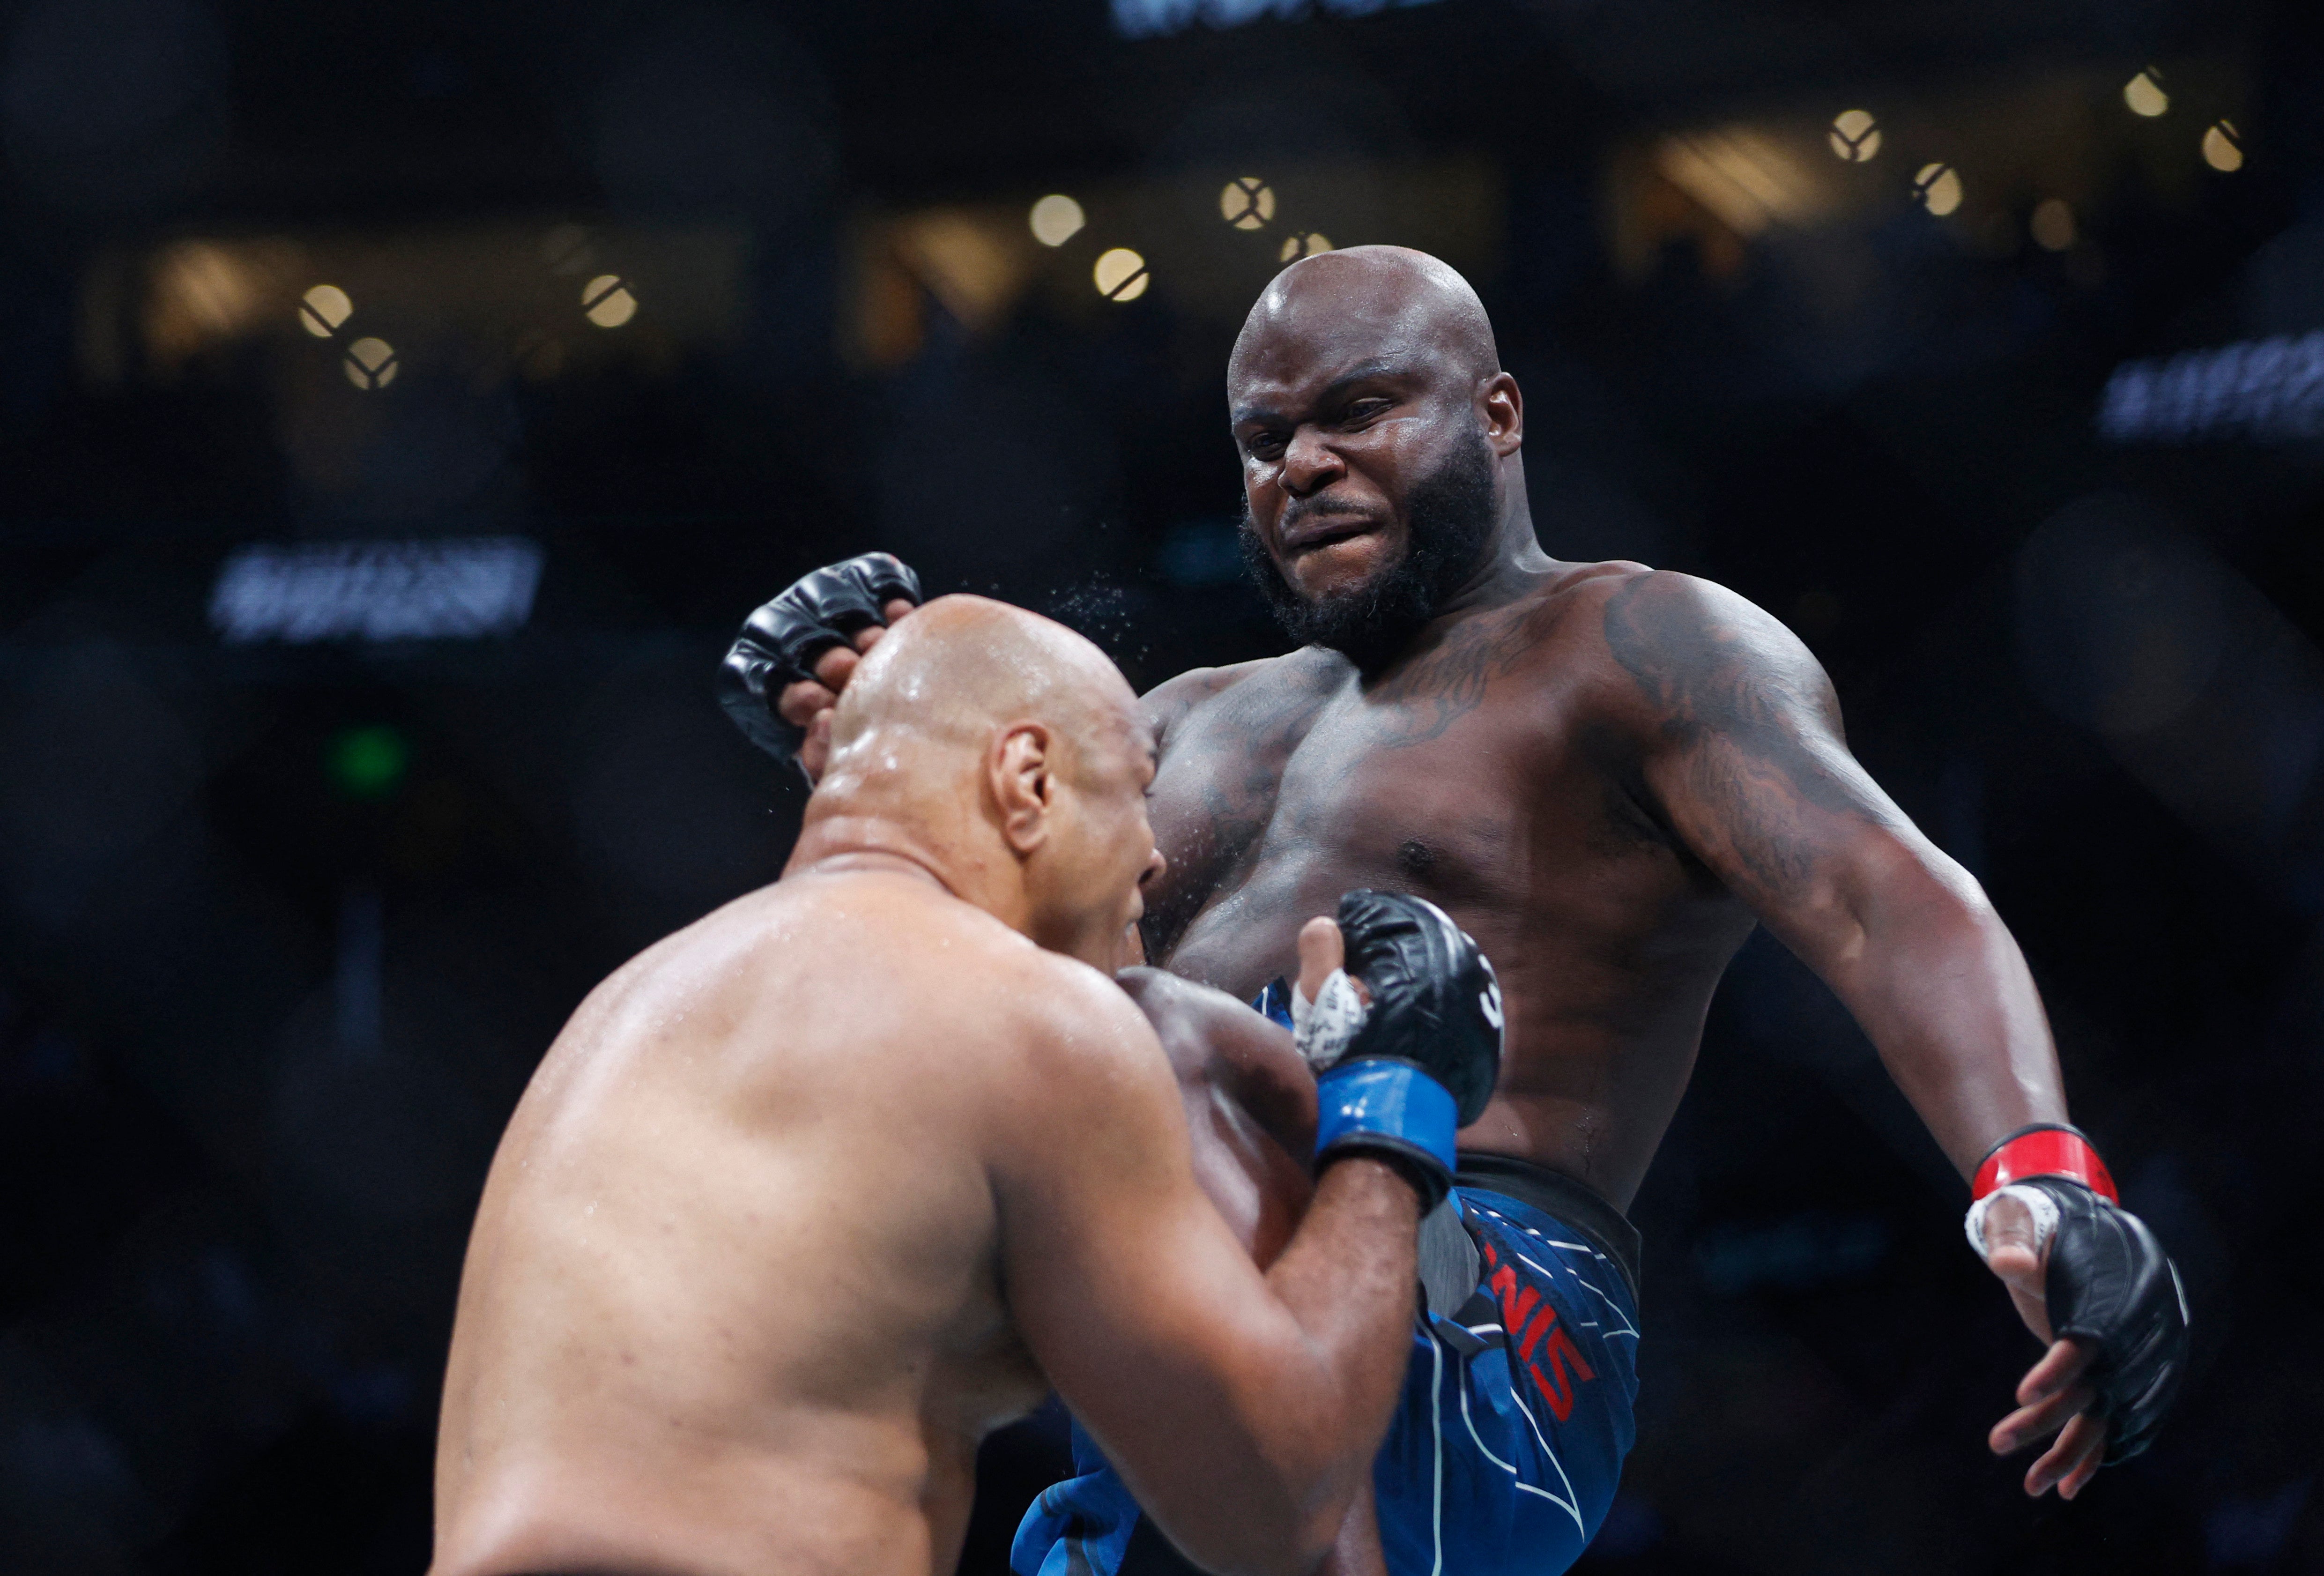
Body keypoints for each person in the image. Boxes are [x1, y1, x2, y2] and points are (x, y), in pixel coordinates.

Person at [718, 247, 2189, 1576]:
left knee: (1136, 1030)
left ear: (1494, 414)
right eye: (1262, 438)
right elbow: (973, 994)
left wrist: (2039, 1167)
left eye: (1356, 411)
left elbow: (1879, 895)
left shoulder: (1627, 644)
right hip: (1152, 1313)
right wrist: (884, 757)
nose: (1301, 463)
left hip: (1474, 1299)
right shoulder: (1171, 722)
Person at [432, 593, 1507, 1576]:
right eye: (1137, 789)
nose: (1153, 859)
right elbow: (1274, 1502)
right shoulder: (1037, 1020)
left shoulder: (632, 1004)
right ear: (1028, 781)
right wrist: (1391, 1098)